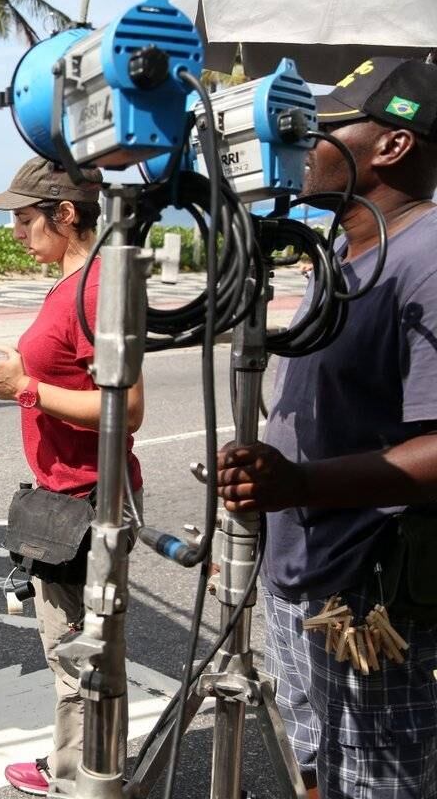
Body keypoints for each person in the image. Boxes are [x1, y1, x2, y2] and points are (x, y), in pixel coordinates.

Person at [214, 57, 437, 799]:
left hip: (370, 595)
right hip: (300, 573)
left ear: (392, 146)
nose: (305, 140)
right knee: (316, 763)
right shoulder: (343, 245)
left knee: (377, 780)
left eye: (330, 126)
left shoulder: (427, 257)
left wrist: (300, 483)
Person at [0, 156, 144, 796]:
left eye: (23, 217)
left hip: (88, 502)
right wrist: (24, 371)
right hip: (69, 495)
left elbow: (126, 408)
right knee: (78, 653)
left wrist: (24, 387)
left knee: (79, 656)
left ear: (64, 214)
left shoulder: (96, 287)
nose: (16, 230)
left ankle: (85, 779)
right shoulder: (75, 279)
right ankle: (78, 768)